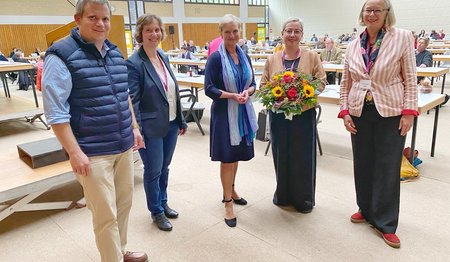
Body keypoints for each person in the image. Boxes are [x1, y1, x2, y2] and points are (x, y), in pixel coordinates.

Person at [42, 1, 148, 261]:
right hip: (92, 152)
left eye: (105, 19)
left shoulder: (113, 52)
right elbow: (56, 112)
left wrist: (134, 128)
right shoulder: (60, 55)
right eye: (93, 18)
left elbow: (124, 95)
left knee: (123, 206)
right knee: (105, 215)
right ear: (77, 19)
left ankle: (120, 251)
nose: (101, 24)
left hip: (123, 144)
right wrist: (74, 152)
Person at [339, 0, 418, 249]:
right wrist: (345, 111)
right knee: (362, 162)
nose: (372, 14)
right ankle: (365, 208)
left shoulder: (402, 37)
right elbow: (345, 81)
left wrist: (409, 113)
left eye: (377, 10)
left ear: (387, 13)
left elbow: (411, 78)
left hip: (391, 111)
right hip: (360, 111)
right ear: (362, 14)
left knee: (386, 166)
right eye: (368, 10)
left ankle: (385, 222)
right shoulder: (353, 44)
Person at [127, 13, 188, 232]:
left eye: (157, 30)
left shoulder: (163, 56)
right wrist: (137, 129)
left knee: (164, 167)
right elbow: (131, 101)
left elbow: (172, 91)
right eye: (148, 30)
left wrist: (180, 119)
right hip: (150, 128)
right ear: (140, 34)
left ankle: (163, 202)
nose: (154, 34)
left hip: (170, 123)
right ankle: (156, 211)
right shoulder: (134, 63)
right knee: (153, 171)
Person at [260, 17, 326, 214]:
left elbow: (321, 82)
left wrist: (303, 96)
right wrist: (273, 97)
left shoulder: (312, 56)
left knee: (303, 158)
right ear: (282, 34)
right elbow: (264, 85)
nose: (292, 35)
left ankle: (303, 199)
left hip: (303, 115)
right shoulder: (272, 59)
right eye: (288, 31)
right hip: (279, 116)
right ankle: (283, 195)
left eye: (296, 31)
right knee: (281, 155)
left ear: (302, 35)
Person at [204, 14, 258, 228]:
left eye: (235, 31)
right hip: (224, 114)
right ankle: (227, 202)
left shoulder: (244, 55)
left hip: (242, 112)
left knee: (235, 156)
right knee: (227, 158)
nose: (232, 35)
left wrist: (248, 91)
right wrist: (232, 95)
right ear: (221, 34)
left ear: (240, 32)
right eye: (227, 32)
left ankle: (232, 189)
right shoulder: (216, 58)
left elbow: (253, 82)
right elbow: (208, 88)